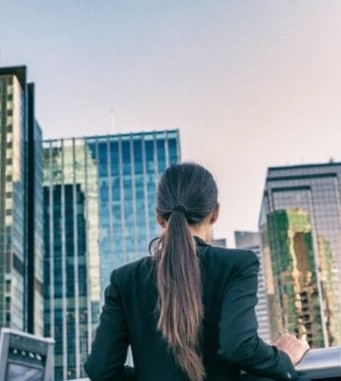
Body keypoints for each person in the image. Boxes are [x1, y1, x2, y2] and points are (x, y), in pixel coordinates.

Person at [85, 163, 310, 381]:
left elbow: (101, 370)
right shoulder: (237, 265)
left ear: (159, 217)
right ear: (215, 213)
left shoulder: (124, 280)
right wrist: (284, 360)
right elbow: (239, 346)